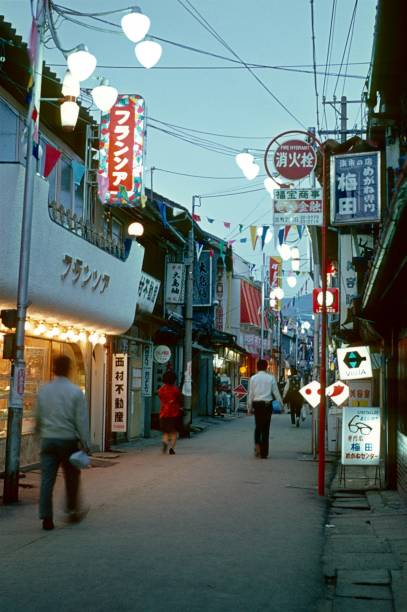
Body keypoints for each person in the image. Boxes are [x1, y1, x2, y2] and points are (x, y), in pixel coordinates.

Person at [34, 355, 90, 531]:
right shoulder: (75, 392)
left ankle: (46, 518)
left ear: (53, 368)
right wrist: (86, 442)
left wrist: (38, 434)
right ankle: (71, 510)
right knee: (72, 477)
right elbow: (81, 420)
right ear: (69, 369)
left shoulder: (43, 390)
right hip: (67, 441)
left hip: (48, 440)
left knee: (47, 480)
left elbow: (38, 416)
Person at [247, 359, 283, 459]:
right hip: (267, 405)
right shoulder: (271, 378)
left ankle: (257, 445)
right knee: (266, 428)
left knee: (258, 426)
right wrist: (281, 405)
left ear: (257, 367)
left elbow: (251, 394)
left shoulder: (253, 378)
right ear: (266, 367)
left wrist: (249, 407)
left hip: (257, 405)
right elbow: (276, 392)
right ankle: (264, 453)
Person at [158, 371, 183, 455]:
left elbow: (161, 398)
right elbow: (179, 399)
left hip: (163, 413)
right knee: (174, 432)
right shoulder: (175, 390)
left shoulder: (161, 390)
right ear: (173, 380)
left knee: (165, 432)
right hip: (173, 413)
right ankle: (172, 448)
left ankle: (165, 442)